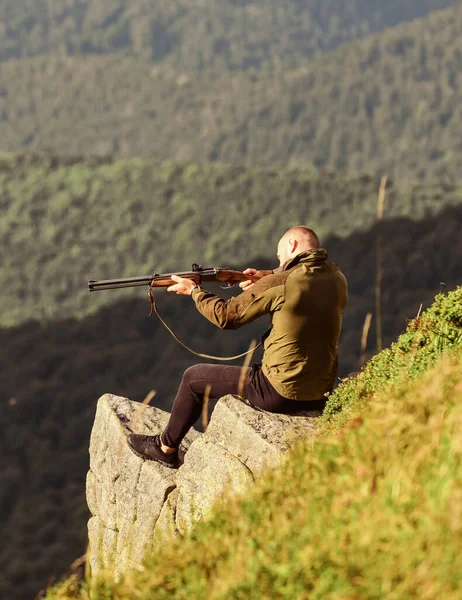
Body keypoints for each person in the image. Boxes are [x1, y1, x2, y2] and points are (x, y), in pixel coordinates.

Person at [127, 226, 348, 468]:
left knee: (194, 378)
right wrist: (265, 276)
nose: (279, 261)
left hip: (280, 391)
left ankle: (164, 447)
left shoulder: (281, 283)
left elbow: (226, 317)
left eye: (279, 256)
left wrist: (194, 291)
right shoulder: (336, 277)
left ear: (292, 246)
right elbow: (294, 278)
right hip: (320, 394)